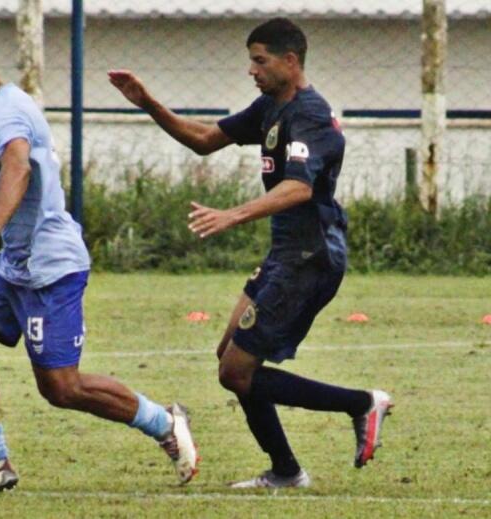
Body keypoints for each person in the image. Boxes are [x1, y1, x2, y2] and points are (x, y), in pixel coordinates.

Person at [109, 17, 392, 489]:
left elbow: (299, 188)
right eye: (250, 60)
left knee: (236, 372)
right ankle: (285, 470)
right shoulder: (270, 107)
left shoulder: (310, 115)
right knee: (230, 361)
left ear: (290, 60)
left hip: (310, 257)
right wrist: (150, 104)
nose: (251, 70)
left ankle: (359, 404)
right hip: (288, 253)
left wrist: (232, 215)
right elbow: (204, 140)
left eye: (259, 60)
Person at [0, 31, 198, 495]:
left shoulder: (5, 113)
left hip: (50, 269)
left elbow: (20, 166)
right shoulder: (7, 103)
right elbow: (26, 178)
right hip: (15, 267)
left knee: (62, 388)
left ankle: (165, 422)